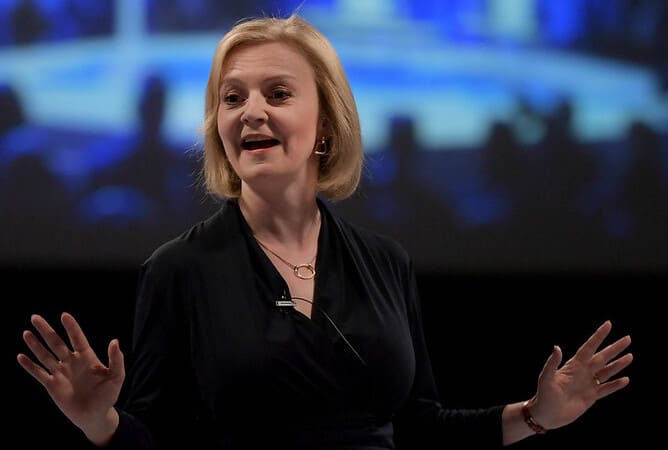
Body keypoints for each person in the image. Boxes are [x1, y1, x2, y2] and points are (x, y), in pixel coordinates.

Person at [17, 14, 633, 450]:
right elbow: (156, 438)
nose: (251, 111)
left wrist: (535, 415)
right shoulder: (178, 270)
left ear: (326, 126)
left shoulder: (385, 262)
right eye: (231, 98)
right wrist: (99, 424)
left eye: (278, 93)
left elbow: (418, 427)